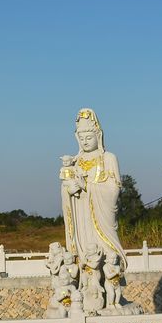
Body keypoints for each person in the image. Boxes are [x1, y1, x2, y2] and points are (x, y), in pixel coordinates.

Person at [60, 108, 127, 270]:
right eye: (81, 138)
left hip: (100, 212)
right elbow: (66, 184)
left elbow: (114, 189)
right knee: (85, 249)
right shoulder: (76, 160)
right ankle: (84, 270)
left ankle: (108, 270)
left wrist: (87, 186)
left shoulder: (108, 158)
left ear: (99, 136)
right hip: (81, 211)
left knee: (105, 251)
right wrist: (69, 190)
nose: (85, 141)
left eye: (89, 137)